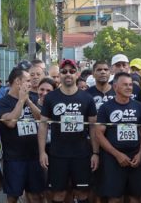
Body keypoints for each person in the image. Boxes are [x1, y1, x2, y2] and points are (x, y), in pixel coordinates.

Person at [39, 59, 98, 203]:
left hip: (82, 154)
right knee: (58, 194)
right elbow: (43, 126)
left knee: (82, 193)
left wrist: (96, 153)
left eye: (72, 71)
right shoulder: (51, 98)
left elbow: (93, 127)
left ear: (77, 74)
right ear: (59, 75)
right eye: (64, 71)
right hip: (57, 154)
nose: (68, 74)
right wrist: (42, 152)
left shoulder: (87, 98)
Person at [96, 72, 141, 203]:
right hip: (113, 158)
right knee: (115, 198)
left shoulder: (138, 106)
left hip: (135, 157)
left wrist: (140, 153)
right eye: (125, 84)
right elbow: (98, 134)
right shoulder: (106, 108)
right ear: (115, 87)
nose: (129, 87)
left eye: (130, 84)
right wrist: (117, 154)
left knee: (135, 197)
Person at [0, 67, 45, 203]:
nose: (31, 83)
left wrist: (28, 101)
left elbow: (41, 119)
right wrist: (21, 101)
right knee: (13, 196)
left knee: (36, 196)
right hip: (14, 158)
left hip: (34, 156)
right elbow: (11, 122)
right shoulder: (3, 102)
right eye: (27, 80)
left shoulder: (32, 99)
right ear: (18, 81)